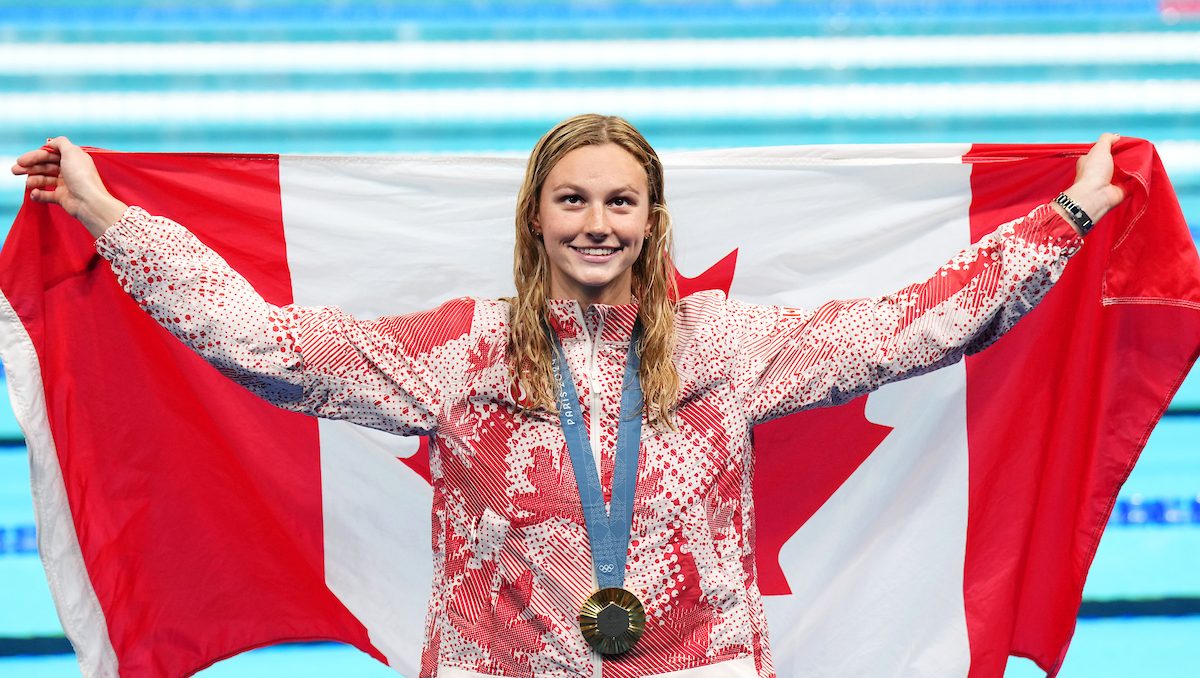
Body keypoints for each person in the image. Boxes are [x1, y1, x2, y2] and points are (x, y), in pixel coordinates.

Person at [12, 115, 1124, 678]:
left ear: (653, 219)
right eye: (575, 199)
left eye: (623, 202)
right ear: (536, 219)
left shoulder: (725, 348)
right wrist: (114, 217)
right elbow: (259, 344)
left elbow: (909, 329)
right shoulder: (464, 354)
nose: (599, 222)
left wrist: (1064, 217)